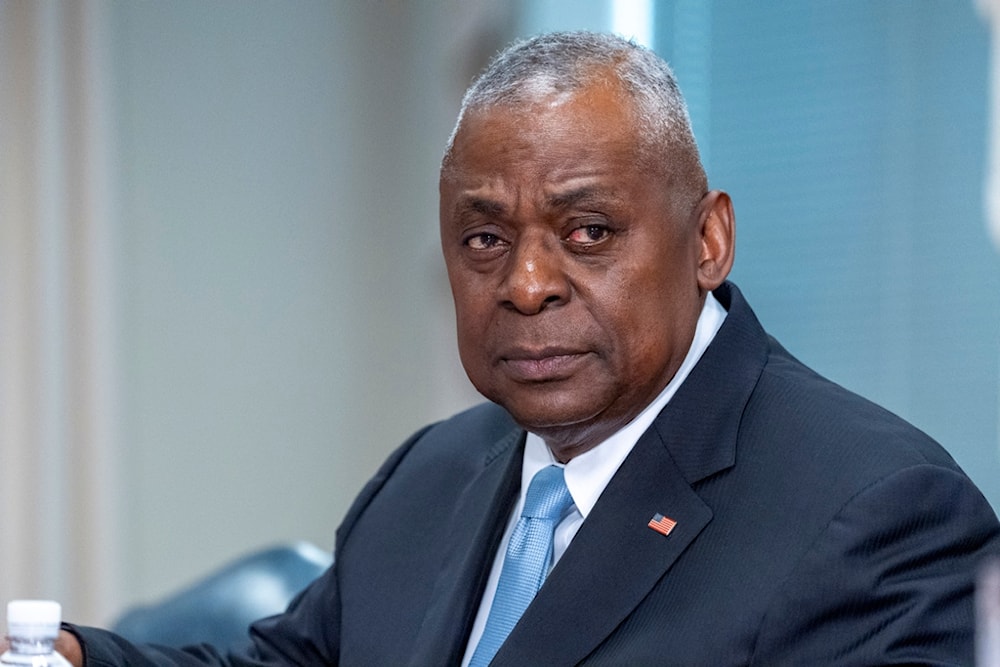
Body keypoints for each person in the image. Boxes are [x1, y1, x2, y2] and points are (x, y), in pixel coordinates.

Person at [35, 30, 1000, 665]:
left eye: (588, 232)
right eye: (485, 239)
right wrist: (72, 658)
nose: (526, 284)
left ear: (707, 240)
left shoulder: (878, 511)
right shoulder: (434, 472)